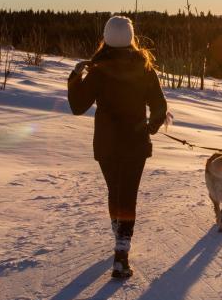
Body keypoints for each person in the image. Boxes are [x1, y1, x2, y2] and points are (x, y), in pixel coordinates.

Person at [67, 15, 168, 279]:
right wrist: (151, 127)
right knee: (128, 193)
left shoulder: (98, 69)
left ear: (107, 38)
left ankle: (119, 234)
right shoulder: (144, 68)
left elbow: (77, 107)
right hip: (135, 142)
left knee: (115, 190)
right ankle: (121, 249)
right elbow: (159, 106)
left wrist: (76, 76)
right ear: (131, 38)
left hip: (107, 143)